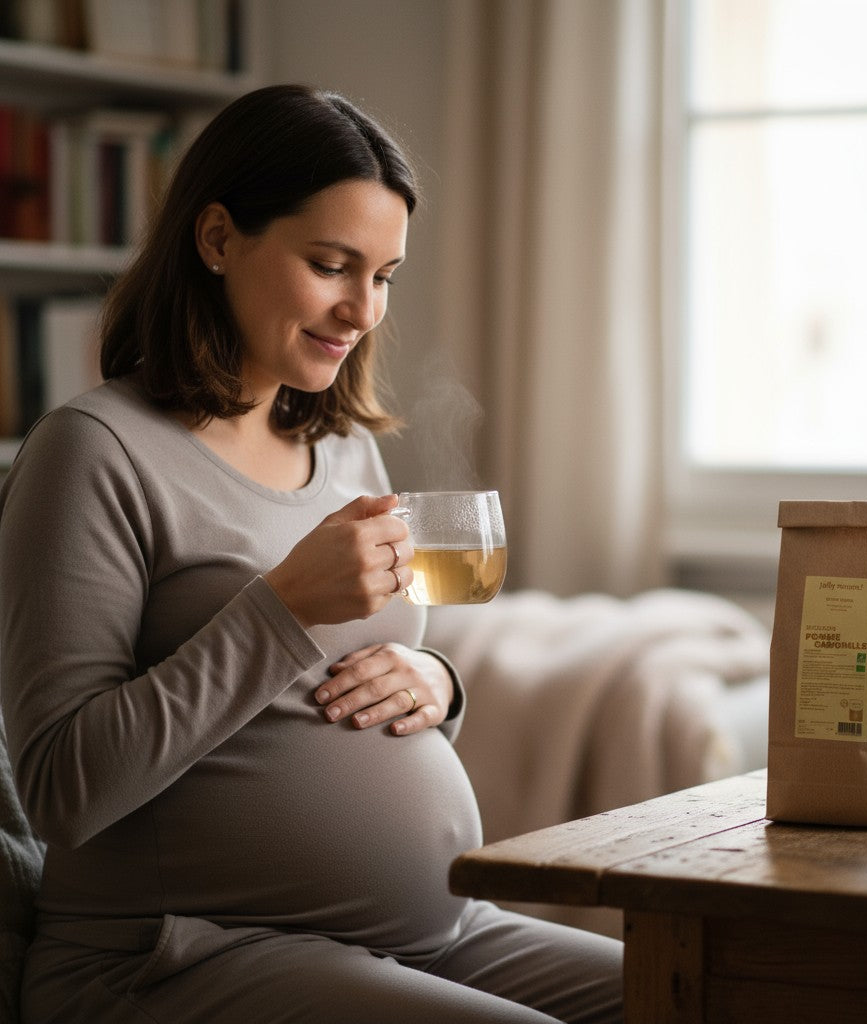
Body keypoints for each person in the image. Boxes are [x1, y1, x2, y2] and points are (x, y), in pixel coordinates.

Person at [0, 84, 623, 1023]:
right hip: (170, 955)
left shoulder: (344, 450)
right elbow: (60, 789)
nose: (362, 309)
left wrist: (434, 682)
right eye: (332, 265)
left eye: (384, 276)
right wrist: (280, 609)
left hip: (432, 930)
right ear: (216, 239)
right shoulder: (92, 453)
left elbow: (333, 691)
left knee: (694, 993)